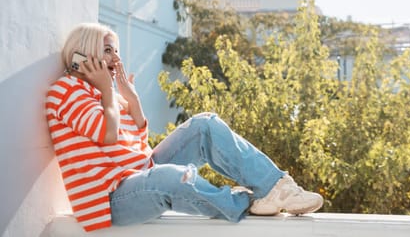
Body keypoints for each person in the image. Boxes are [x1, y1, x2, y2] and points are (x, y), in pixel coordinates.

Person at [45, 22, 323, 232]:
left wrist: (131, 98)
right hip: (112, 198)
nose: (116, 59)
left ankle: (275, 188)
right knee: (172, 177)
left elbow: (139, 142)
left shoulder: (109, 95)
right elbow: (108, 135)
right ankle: (246, 203)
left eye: (116, 51)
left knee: (205, 124)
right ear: (83, 56)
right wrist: (108, 90)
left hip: (140, 173)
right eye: (107, 51)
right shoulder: (66, 91)